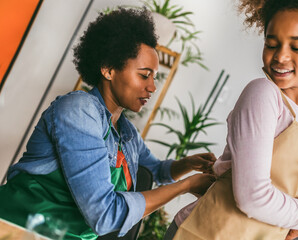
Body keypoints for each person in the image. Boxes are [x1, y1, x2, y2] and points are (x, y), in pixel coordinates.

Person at [0, 7, 216, 240]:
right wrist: (186, 186)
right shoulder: (79, 110)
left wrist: (188, 164)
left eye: (155, 77)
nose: (152, 87)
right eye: (144, 75)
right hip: (18, 229)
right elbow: (104, 215)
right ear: (108, 69)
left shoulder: (126, 133)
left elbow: (156, 171)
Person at [165, 0, 298, 239]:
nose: (280, 56)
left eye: (296, 48)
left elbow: (280, 186)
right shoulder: (263, 93)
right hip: (207, 232)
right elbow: (252, 196)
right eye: (271, 44)